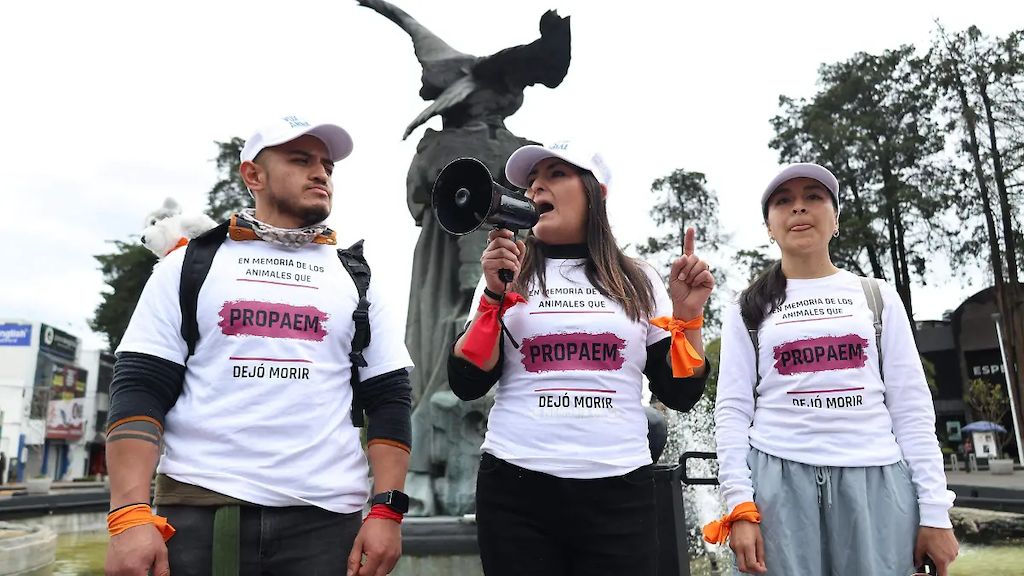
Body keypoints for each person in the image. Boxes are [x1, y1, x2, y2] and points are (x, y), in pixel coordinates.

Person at [103, 115, 414, 576]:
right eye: (301, 160)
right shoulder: (187, 265)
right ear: (253, 175)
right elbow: (140, 386)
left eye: (327, 165)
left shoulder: (357, 277)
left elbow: (389, 396)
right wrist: (128, 515)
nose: (321, 173)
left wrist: (387, 510)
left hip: (327, 521)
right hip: (202, 511)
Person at [446, 139, 714, 576]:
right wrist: (493, 295)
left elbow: (680, 392)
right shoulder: (509, 272)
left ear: (596, 194)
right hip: (516, 488)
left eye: (556, 174)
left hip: (619, 490)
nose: (536, 187)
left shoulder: (638, 279)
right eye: (532, 181)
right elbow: (467, 381)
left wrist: (688, 317)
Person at [705, 163, 960, 575]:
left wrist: (934, 512)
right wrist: (739, 506)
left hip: (875, 485)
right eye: (784, 201)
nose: (799, 208)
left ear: (836, 219)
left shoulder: (877, 297)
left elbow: (911, 409)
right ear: (769, 226)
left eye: (813, 197)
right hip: (777, 487)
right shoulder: (746, 307)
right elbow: (732, 411)